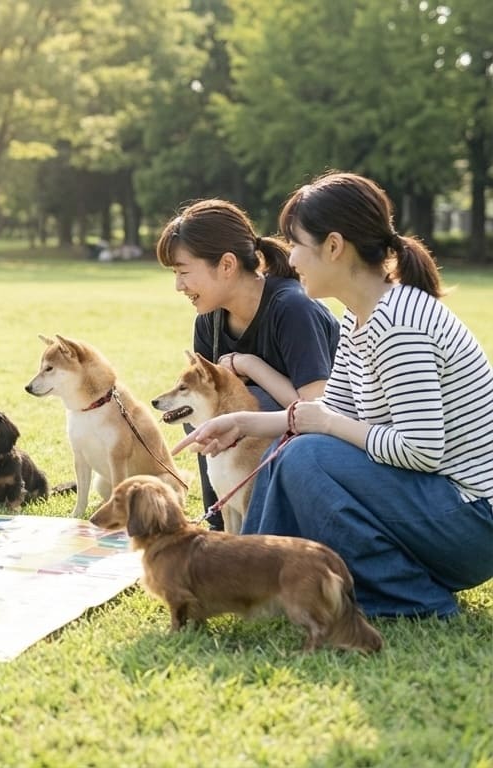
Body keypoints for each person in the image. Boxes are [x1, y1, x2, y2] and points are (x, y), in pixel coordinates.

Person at [176, 171, 493, 618]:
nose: (289, 258)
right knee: (295, 450)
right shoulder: (361, 317)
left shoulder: (400, 324)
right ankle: (256, 578)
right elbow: (329, 409)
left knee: (307, 456)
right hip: (438, 508)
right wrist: (245, 424)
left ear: (333, 246)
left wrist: (324, 425)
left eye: (296, 244)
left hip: (471, 523)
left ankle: (414, 599)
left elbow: (421, 448)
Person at [156, 199, 340, 529]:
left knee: (251, 407)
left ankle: (266, 526)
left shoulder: (294, 309)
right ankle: (222, 521)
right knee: (199, 409)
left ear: (226, 265)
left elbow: (320, 410)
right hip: (259, 449)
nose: (178, 286)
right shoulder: (209, 323)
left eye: (183, 272)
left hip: (329, 449)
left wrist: (251, 365)